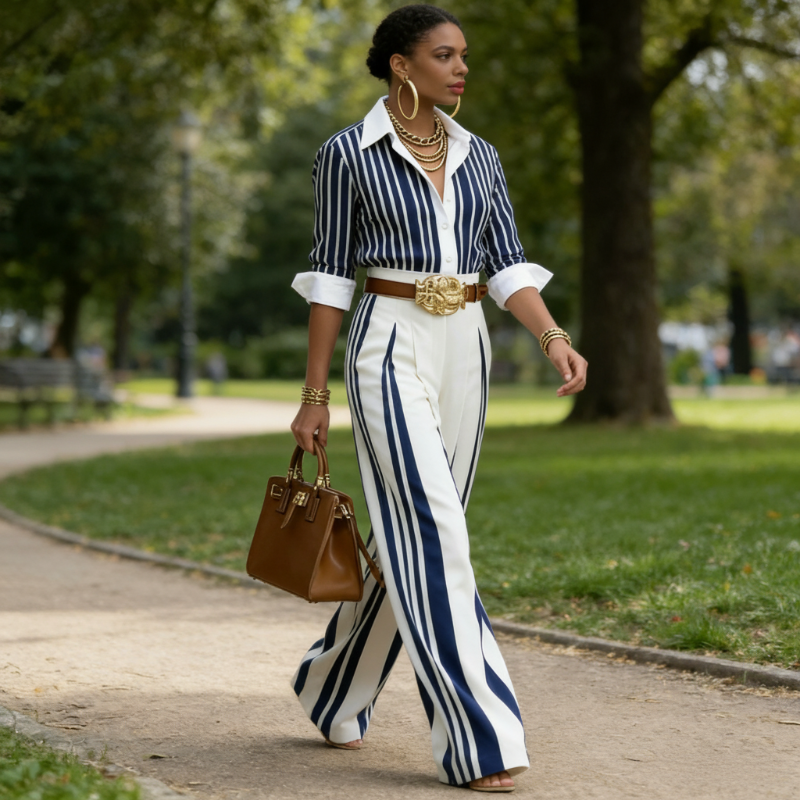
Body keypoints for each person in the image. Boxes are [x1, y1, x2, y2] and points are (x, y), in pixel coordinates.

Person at [289, 5, 587, 792]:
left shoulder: (479, 156)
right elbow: (328, 279)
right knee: (435, 527)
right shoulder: (347, 154)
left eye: (463, 56)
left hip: (468, 349)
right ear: (400, 64)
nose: (460, 69)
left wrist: (553, 336)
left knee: (408, 542)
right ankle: (481, 736)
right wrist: (314, 395)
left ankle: (330, 688)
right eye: (444, 55)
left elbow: (506, 262)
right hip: (387, 339)